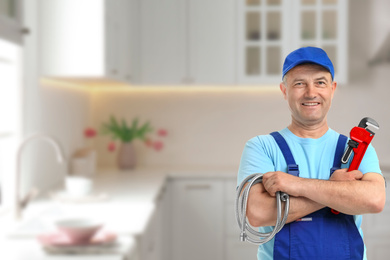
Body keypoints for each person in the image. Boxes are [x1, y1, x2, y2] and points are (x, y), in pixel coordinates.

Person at [237, 46, 386, 260]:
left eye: (320, 82)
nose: (311, 92)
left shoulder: (358, 150)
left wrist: (295, 185)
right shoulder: (261, 147)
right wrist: (337, 191)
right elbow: (258, 213)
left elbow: (374, 200)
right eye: (299, 83)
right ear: (284, 90)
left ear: (332, 89)